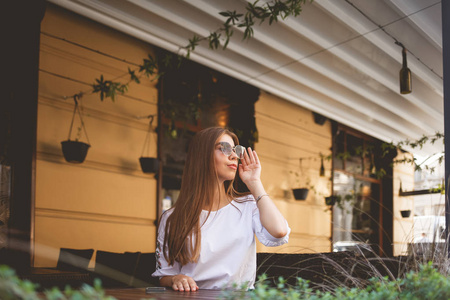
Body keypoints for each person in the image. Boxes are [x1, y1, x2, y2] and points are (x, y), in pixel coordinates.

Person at [152, 127, 290, 291]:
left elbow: (279, 231)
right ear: (202, 156)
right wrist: (177, 278)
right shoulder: (172, 217)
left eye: (235, 150)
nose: (233, 156)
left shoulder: (247, 205)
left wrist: (254, 183)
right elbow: (165, 275)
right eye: (223, 148)